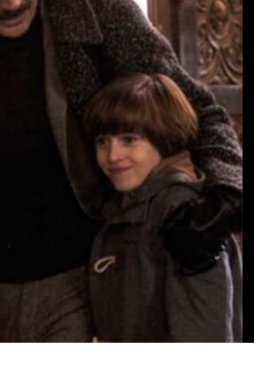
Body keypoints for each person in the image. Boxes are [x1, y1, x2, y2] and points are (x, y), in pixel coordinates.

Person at [0, 0, 243, 342]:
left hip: (77, 276)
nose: (12, 4)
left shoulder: (102, 11)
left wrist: (226, 193)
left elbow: (200, 113)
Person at [83, 73, 242, 342]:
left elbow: (204, 338)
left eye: (129, 140)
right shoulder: (130, 205)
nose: (112, 155)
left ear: (165, 138)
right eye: (102, 141)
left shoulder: (183, 214)